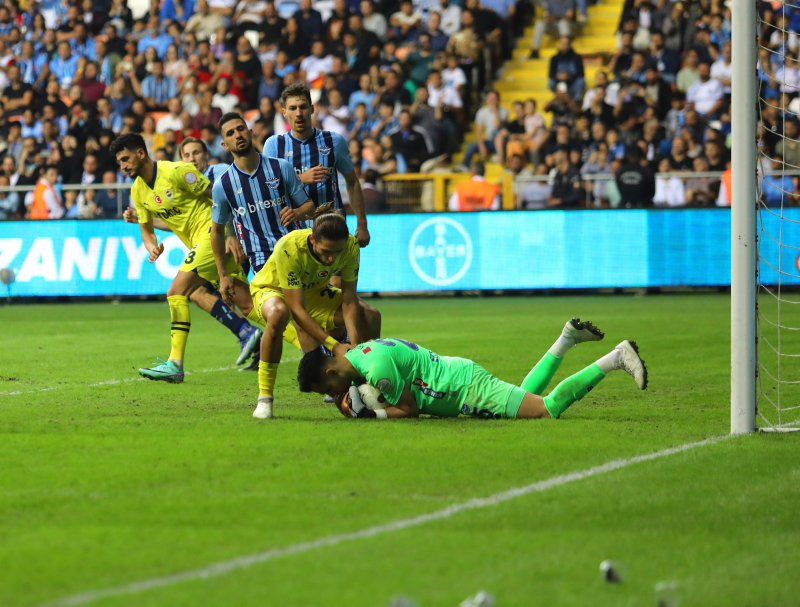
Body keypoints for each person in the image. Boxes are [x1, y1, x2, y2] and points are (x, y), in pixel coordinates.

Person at [110, 133, 262, 383]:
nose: (123, 166)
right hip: (203, 243)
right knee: (249, 305)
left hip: (217, 236)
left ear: (140, 153)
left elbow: (220, 199)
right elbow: (148, 231)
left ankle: (175, 364)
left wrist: (232, 234)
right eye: (119, 162)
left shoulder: (181, 171)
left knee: (176, 292)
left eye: (125, 159)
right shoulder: (139, 191)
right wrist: (151, 247)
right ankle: (315, 344)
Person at [297, 318, 647, 419]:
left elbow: (410, 408)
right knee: (528, 395)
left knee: (545, 409)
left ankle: (616, 357)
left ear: (330, 372)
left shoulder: (377, 372)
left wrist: (373, 415)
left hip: (465, 389)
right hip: (459, 375)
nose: (335, 395)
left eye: (329, 390)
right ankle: (567, 339)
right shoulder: (359, 352)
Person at [244, 203, 381, 419]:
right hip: (274, 290)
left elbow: (349, 300)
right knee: (279, 313)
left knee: (371, 315)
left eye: (337, 252)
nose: (331, 259)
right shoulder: (289, 248)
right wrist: (334, 346)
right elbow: (297, 310)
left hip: (314, 292)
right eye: (326, 252)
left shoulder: (351, 246)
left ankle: (366, 382)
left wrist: (354, 349)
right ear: (312, 240)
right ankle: (265, 398)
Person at [264, 83, 370, 248]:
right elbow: (266, 190)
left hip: (333, 229)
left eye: (303, 107)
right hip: (293, 235)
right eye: (292, 108)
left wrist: (362, 224)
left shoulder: (334, 141)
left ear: (312, 109)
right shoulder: (274, 145)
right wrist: (300, 179)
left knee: (336, 274)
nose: (298, 113)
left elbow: (353, 181)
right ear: (284, 112)